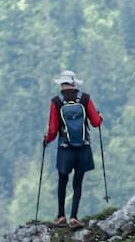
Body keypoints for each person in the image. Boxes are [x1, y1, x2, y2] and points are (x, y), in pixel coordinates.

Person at [42, 70, 102, 228]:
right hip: (83, 147)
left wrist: (46, 140)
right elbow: (96, 122)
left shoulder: (56, 102)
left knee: (63, 181)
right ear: (74, 83)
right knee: (78, 182)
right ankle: (74, 217)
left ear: (62, 84)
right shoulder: (85, 99)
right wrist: (99, 117)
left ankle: (61, 216)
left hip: (65, 148)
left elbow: (53, 129)